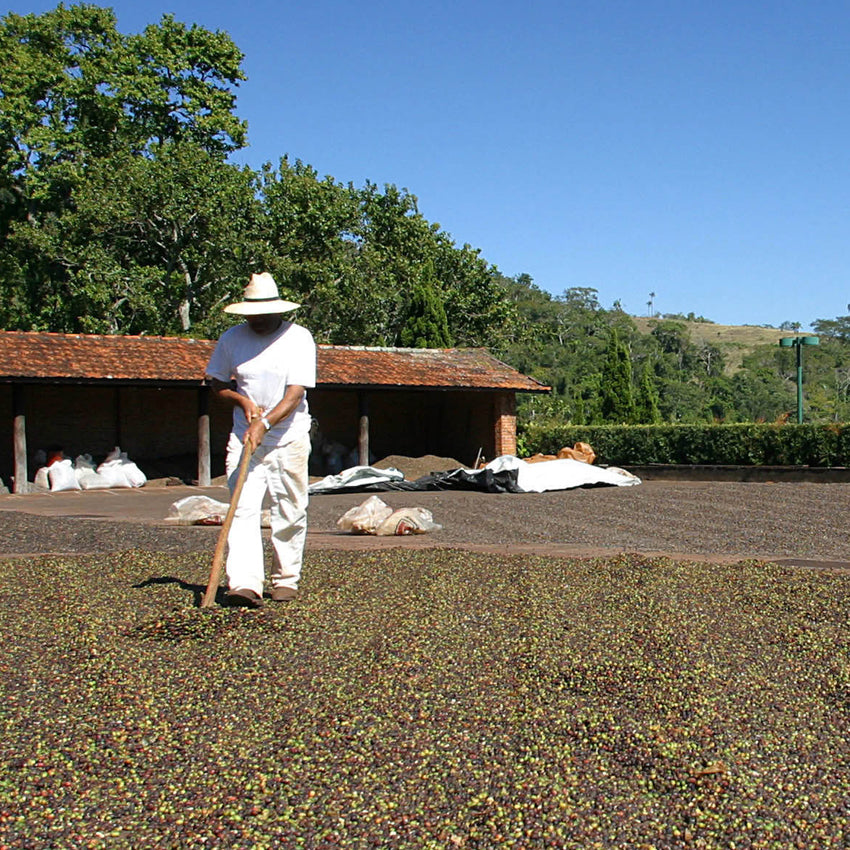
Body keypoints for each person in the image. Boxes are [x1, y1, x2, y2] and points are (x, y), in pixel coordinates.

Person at [204, 272, 316, 608]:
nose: (257, 319)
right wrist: (242, 401)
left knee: (290, 508)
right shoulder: (231, 339)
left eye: (264, 313)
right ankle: (245, 583)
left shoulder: (298, 338)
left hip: (288, 436)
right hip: (244, 436)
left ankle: (285, 580)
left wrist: (266, 422)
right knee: (241, 509)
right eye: (252, 314)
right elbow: (216, 382)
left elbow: (296, 393)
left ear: (278, 311)